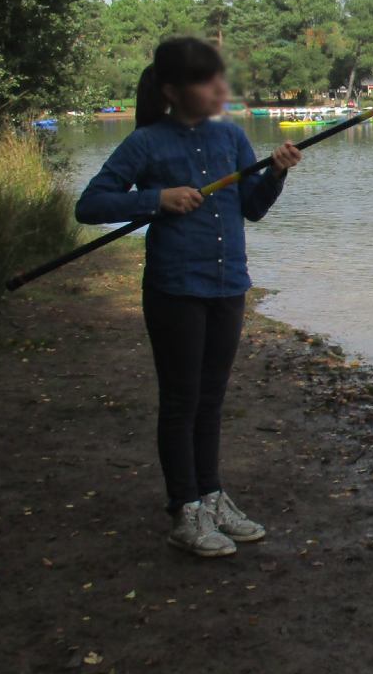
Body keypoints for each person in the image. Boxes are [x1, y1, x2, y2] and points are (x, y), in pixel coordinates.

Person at [76, 37, 302, 557]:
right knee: (181, 400)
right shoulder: (145, 143)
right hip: (175, 288)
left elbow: (252, 209)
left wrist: (276, 172)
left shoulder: (232, 137)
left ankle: (212, 497)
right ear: (173, 90)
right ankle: (185, 510)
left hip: (229, 285)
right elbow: (89, 206)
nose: (217, 87)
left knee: (211, 399)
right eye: (204, 79)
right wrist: (156, 199)